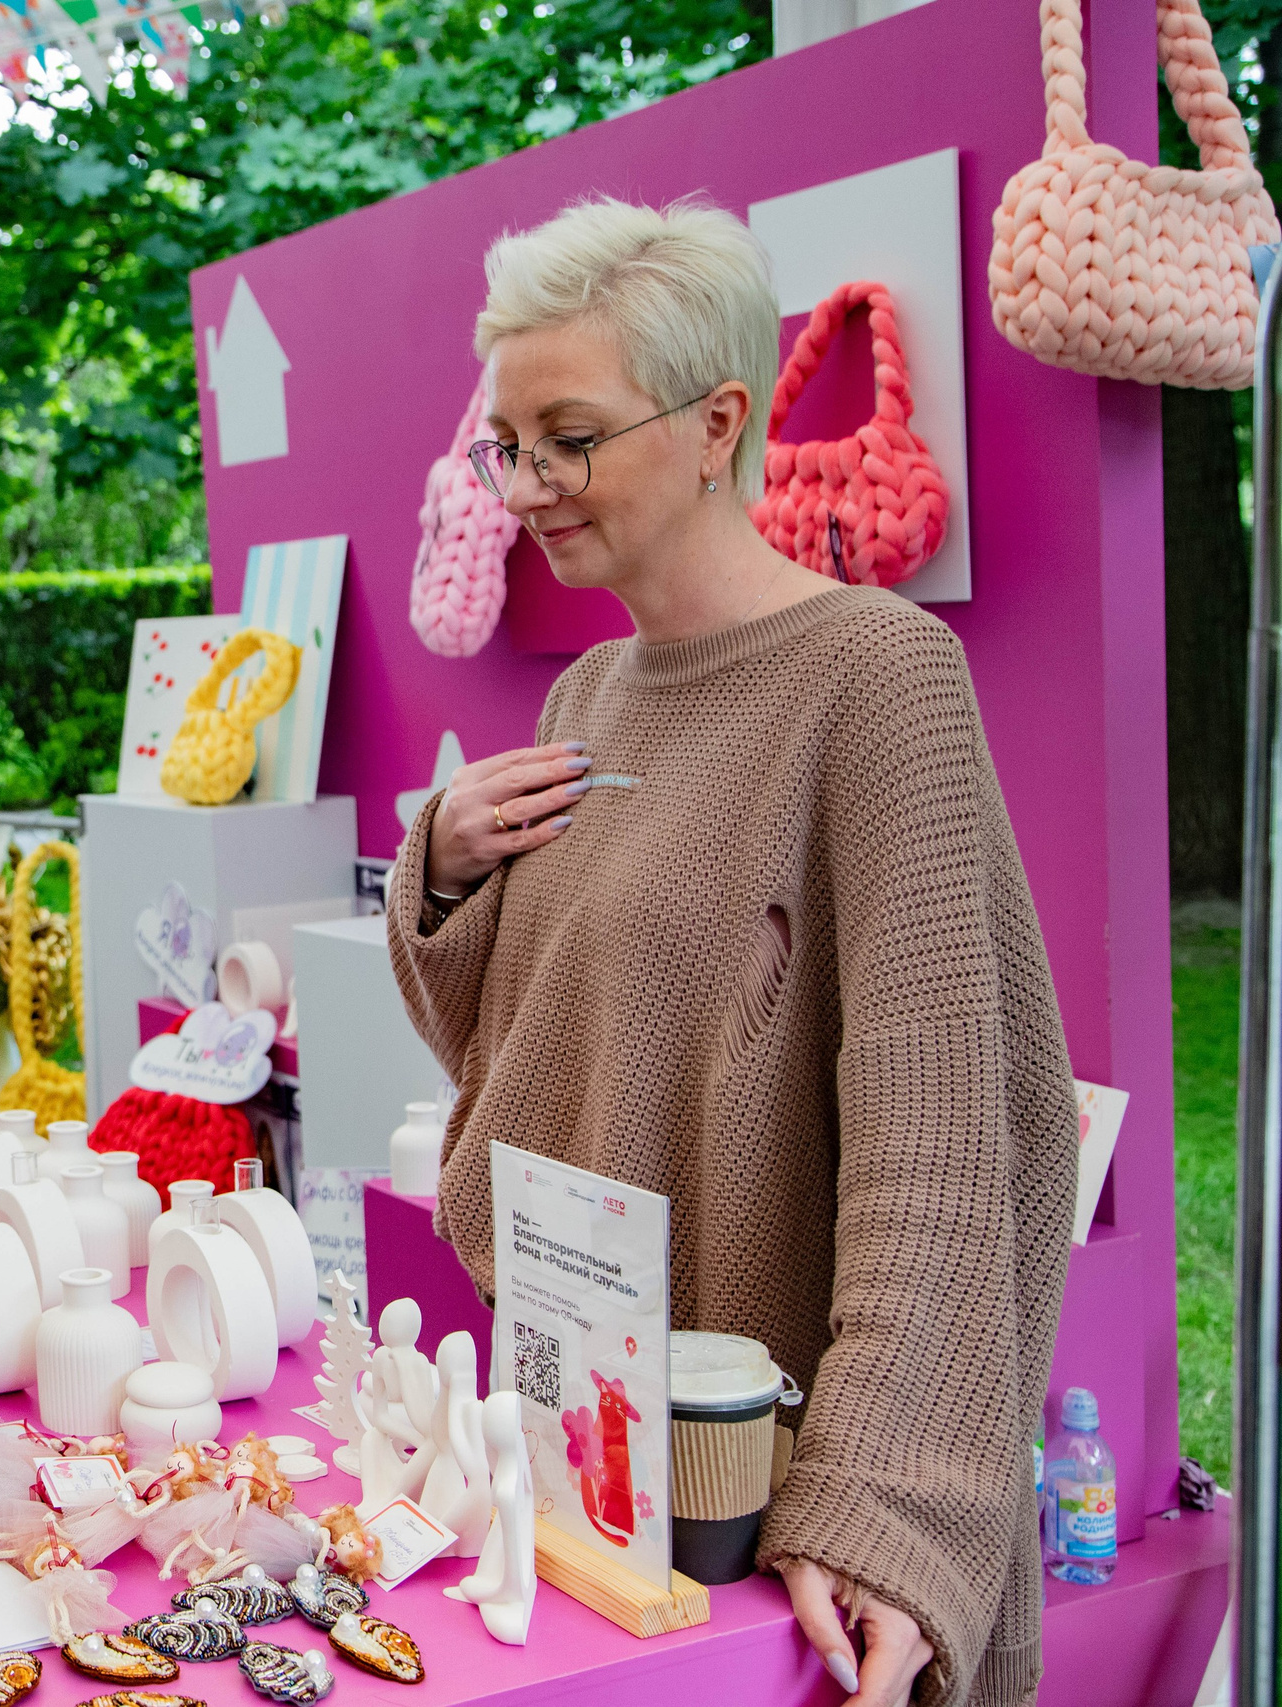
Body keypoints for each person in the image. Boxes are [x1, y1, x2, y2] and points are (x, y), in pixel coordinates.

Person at [389, 197, 1075, 1707]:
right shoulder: (586, 697)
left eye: (568, 434)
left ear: (717, 425)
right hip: (593, 1446)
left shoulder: (879, 681)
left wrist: (883, 1499)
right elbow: (538, 1046)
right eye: (507, 444)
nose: (528, 486)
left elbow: (944, 1137)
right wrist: (437, 873)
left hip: (764, 1503)